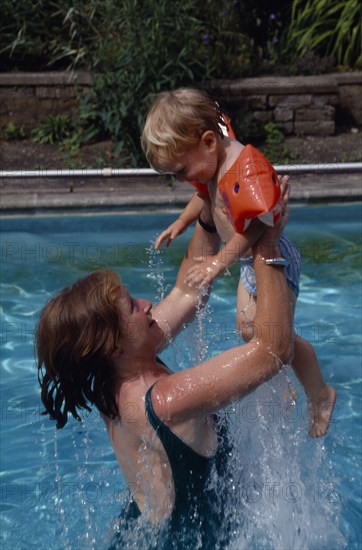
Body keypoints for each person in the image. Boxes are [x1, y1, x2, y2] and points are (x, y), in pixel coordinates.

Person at [36, 192, 293, 549]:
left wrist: (206, 202)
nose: (147, 304)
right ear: (112, 347)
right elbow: (273, 349)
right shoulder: (165, 401)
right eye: (132, 306)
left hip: (139, 532)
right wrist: (267, 240)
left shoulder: (111, 378)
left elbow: (189, 290)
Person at [141, 87, 336, 438]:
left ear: (207, 142)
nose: (183, 180)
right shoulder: (212, 164)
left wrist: (218, 261)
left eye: (182, 170)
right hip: (250, 265)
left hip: (275, 259)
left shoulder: (244, 169)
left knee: (275, 336)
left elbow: (260, 226)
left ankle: (319, 393)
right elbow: (204, 197)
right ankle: (283, 379)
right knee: (250, 332)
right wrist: (183, 222)